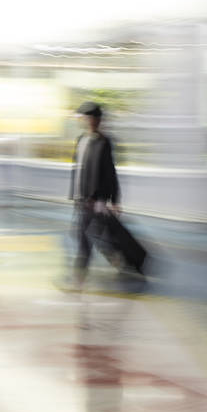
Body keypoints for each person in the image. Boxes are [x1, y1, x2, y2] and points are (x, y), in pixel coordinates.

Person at [68, 102, 120, 286]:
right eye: (87, 118)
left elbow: (110, 172)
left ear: (98, 120)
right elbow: (78, 169)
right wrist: (74, 194)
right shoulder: (81, 139)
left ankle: (79, 277)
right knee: (91, 233)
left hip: (94, 199)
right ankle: (114, 255)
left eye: (93, 118)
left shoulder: (104, 142)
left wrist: (114, 199)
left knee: (83, 237)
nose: (90, 122)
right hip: (80, 198)